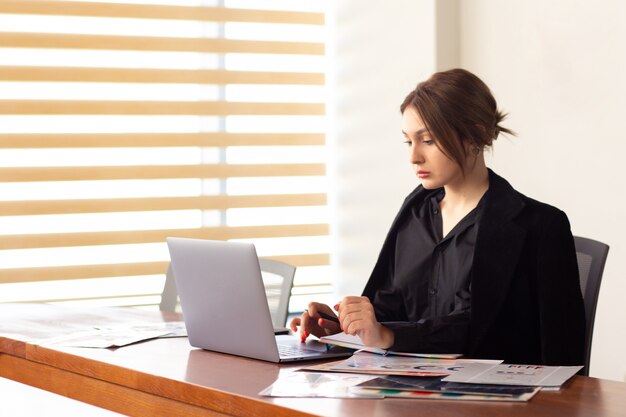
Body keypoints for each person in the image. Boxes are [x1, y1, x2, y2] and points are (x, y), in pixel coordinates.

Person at [290, 68, 585, 366]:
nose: (414, 157)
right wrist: (342, 323)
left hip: (492, 401)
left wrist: (388, 335)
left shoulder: (540, 226)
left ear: (475, 135)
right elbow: (390, 305)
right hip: (410, 390)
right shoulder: (416, 209)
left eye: (427, 140)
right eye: (408, 141)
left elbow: (476, 328)